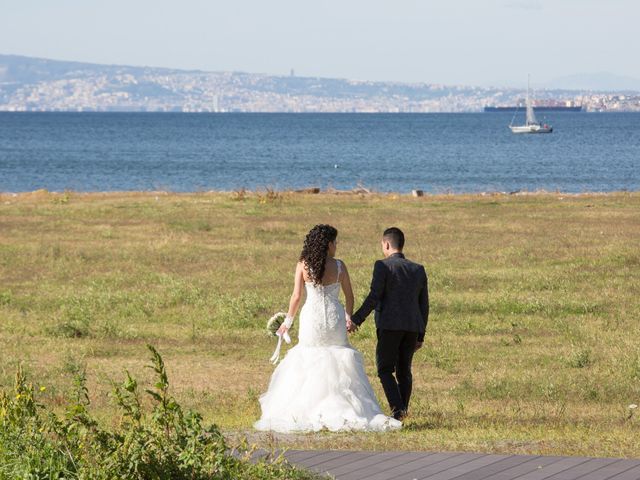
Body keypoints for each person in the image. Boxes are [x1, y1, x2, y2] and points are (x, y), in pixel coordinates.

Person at [254, 224, 401, 432]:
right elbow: (350, 296)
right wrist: (348, 317)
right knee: (338, 357)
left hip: (311, 317)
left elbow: (296, 297)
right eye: (335, 242)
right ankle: (345, 407)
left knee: (308, 356)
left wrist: (287, 321)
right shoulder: (339, 266)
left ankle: (306, 409)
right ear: (329, 244)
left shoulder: (303, 265)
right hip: (334, 318)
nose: (337, 246)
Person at [349, 227, 429, 421]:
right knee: (404, 371)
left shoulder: (382, 266)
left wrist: (356, 319)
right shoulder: (418, 269)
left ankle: (398, 411)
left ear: (386, 244)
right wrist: (421, 334)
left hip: (389, 325)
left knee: (385, 369)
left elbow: (374, 297)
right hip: (411, 326)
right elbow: (424, 304)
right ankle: (402, 412)